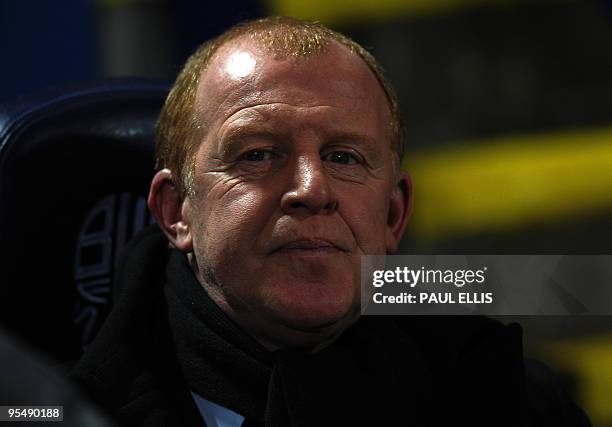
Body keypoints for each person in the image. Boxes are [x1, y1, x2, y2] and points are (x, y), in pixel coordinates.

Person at [68, 16, 590, 427]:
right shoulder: (53, 407)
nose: (312, 191)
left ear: (393, 214)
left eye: (344, 158)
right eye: (257, 154)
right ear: (176, 210)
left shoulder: (515, 399)